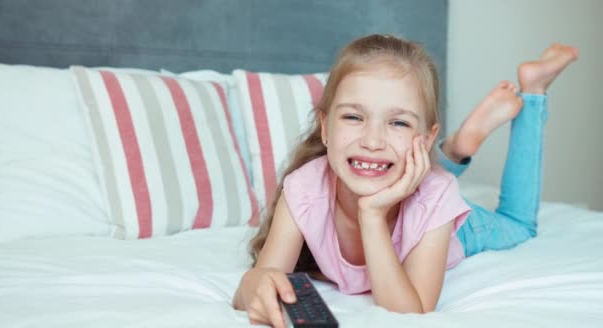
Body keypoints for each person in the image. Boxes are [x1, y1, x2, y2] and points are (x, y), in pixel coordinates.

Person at [232, 34, 578, 327]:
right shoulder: (305, 187)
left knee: (518, 224)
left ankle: (533, 92)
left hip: (448, 222)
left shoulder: (437, 197)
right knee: (394, 162)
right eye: (354, 117)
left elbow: (410, 312)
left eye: (398, 123)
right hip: (410, 179)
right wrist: (256, 286)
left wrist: (371, 214)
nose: (372, 140)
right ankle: (455, 150)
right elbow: (253, 284)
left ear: (425, 138)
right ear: (325, 127)